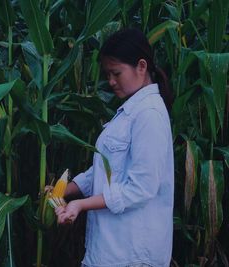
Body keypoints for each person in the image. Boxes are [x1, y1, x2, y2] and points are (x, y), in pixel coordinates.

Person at [55, 28, 174, 267]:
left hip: (132, 254)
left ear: (141, 67)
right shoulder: (130, 112)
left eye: (116, 73)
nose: (110, 81)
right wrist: (63, 192)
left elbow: (141, 187)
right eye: (107, 74)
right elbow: (105, 169)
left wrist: (80, 204)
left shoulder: (148, 115)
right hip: (111, 251)